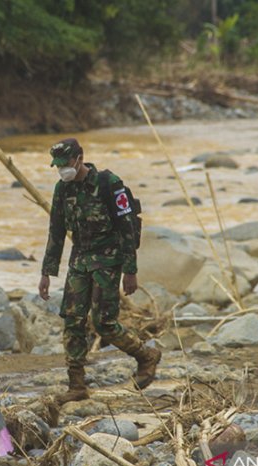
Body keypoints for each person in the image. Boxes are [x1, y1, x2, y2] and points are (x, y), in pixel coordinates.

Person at [38, 137, 161, 405]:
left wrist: (130, 270)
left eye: (65, 164)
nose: (62, 170)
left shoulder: (109, 183)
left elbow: (127, 227)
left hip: (108, 259)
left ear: (79, 159)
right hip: (79, 259)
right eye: (57, 166)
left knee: (104, 323)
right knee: (72, 319)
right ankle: (77, 385)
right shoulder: (62, 189)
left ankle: (146, 356)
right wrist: (47, 272)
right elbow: (56, 231)